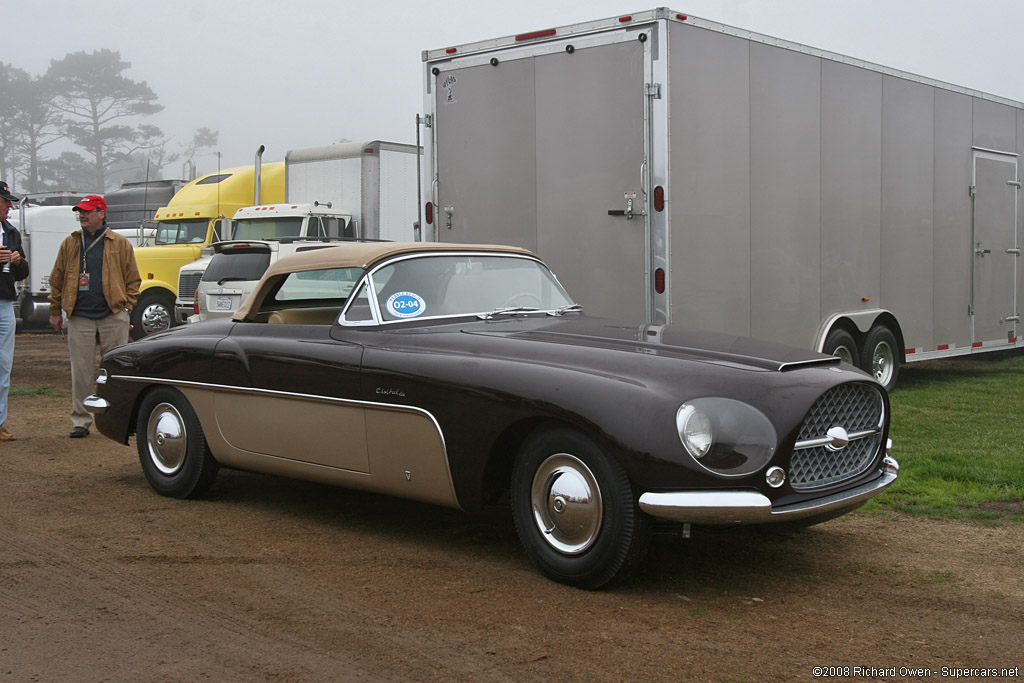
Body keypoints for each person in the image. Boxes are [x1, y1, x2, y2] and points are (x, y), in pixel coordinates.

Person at [49, 195, 141, 438]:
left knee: (115, 370)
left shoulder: (120, 242)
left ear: (102, 213)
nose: (82, 215)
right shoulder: (70, 243)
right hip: (80, 316)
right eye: (80, 211)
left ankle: (118, 418)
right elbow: (56, 278)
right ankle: (81, 420)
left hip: (113, 315)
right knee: (80, 371)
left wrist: (126, 309)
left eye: (88, 211)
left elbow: (134, 280)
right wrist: (54, 310)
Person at [0, 181, 29, 442]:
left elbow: (22, 273)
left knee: (4, 365)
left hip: (5, 303)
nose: (10, 206)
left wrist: (19, 262)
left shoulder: (10, 232)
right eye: (5, 201)